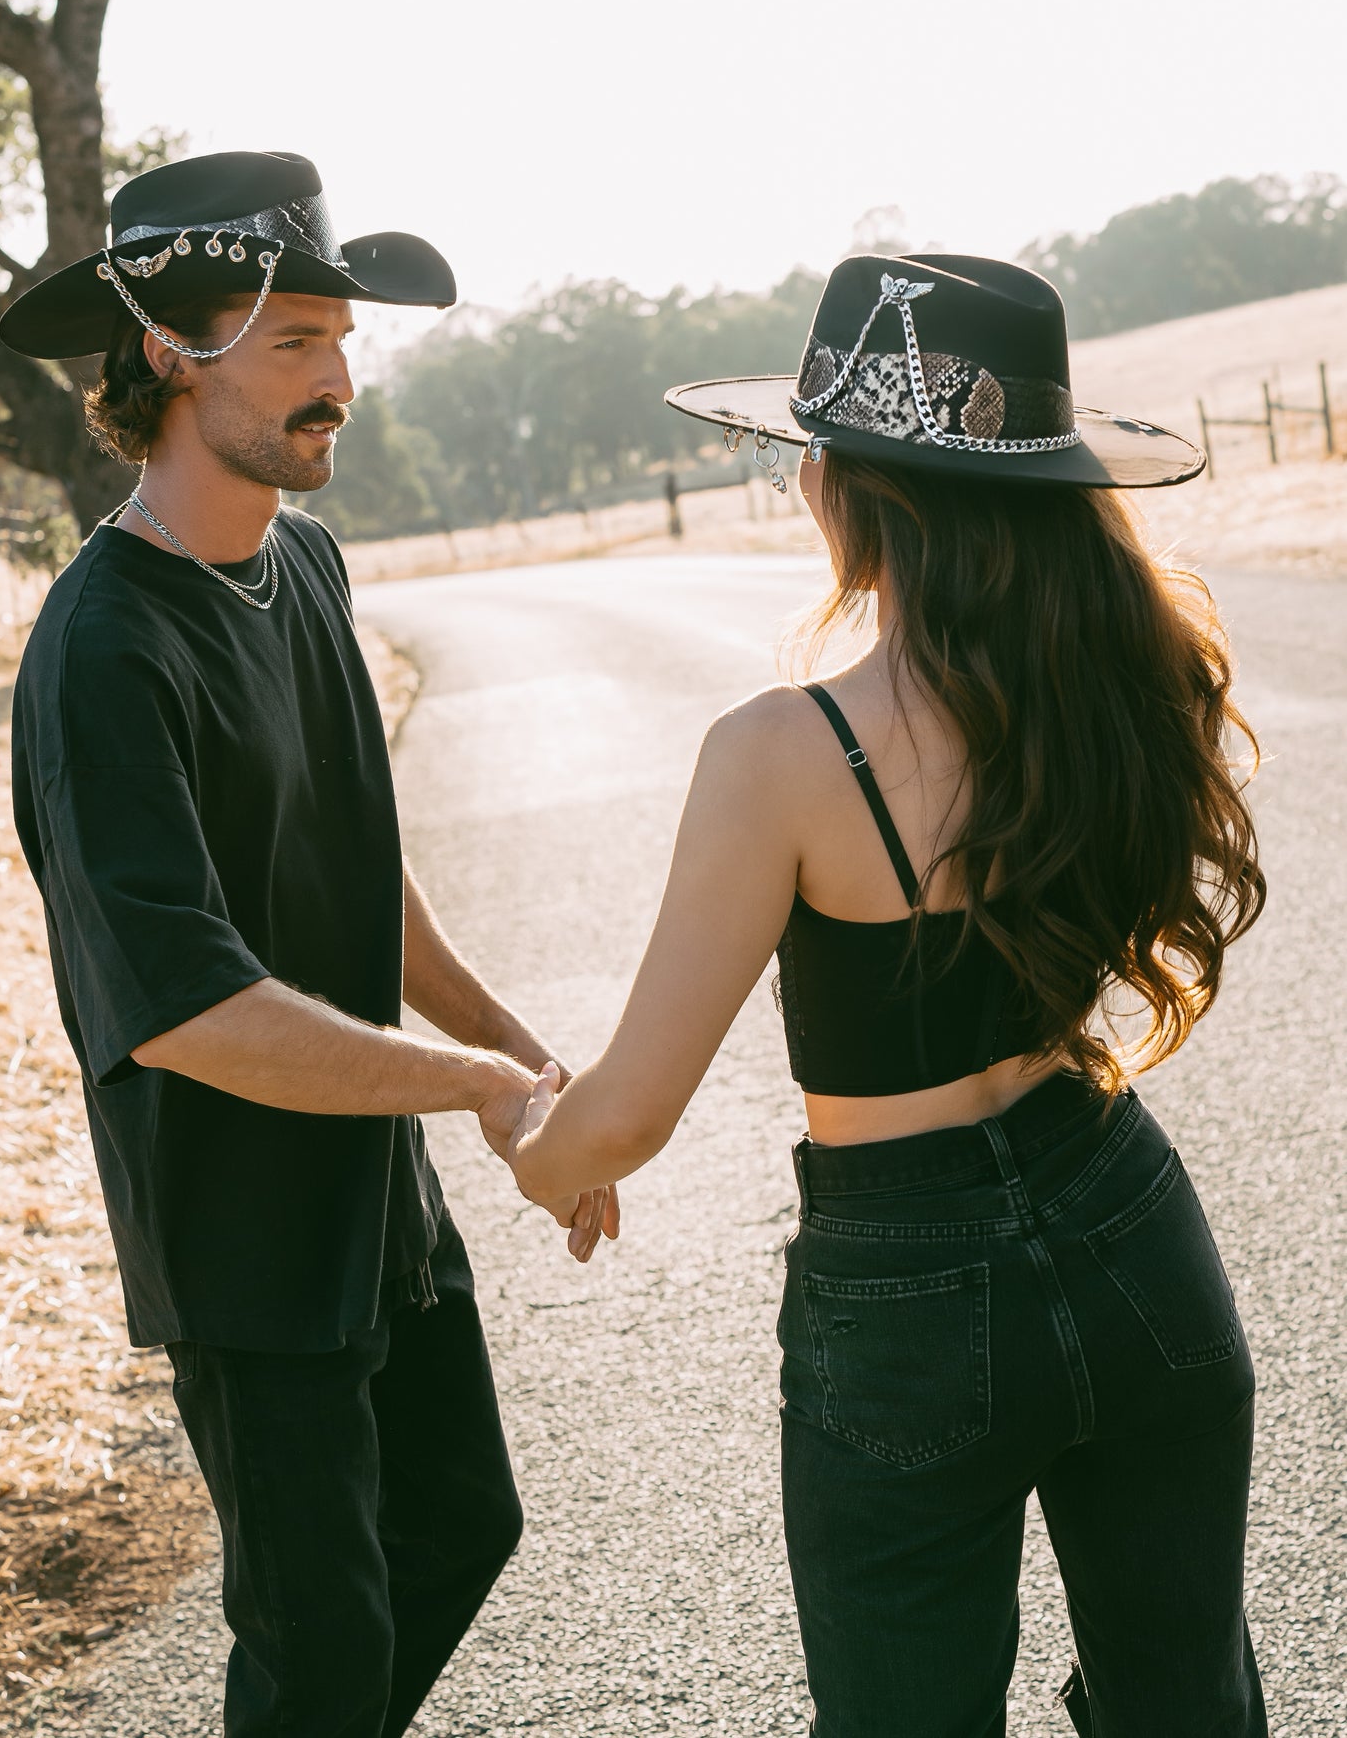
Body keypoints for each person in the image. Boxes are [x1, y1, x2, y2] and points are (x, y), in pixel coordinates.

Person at [505, 253, 1268, 1738]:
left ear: (855, 488)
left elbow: (626, 1117)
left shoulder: (781, 752)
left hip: (902, 1281)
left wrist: (543, 1147)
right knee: (1186, 1703)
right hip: (1125, 1216)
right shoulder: (1124, 674)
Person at [1, 150, 617, 1738]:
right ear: (162, 350)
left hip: (367, 1186)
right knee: (317, 1651)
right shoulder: (102, 649)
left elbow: (361, 880)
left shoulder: (308, 559)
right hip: (241, 1237)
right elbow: (188, 1006)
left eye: (342, 340)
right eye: (293, 343)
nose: (338, 380)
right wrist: (470, 1085)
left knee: (461, 1526)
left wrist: (526, 1063)